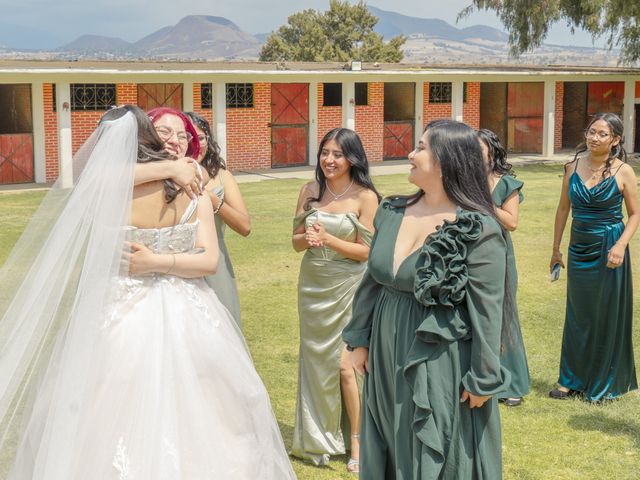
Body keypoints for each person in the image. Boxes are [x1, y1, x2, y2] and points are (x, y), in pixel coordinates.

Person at [0, 106, 296, 479]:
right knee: (207, 410)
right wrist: (173, 173)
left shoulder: (109, 191)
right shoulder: (192, 188)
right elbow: (208, 262)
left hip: (119, 310)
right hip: (188, 307)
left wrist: (151, 262)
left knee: (100, 407)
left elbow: (90, 178)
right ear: (152, 140)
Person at [343, 119, 511, 479]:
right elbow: (374, 278)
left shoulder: (478, 229)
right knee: (389, 433)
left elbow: (487, 308)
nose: (410, 153)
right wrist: (358, 338)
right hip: (387, 347)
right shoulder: (392, 211)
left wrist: (483, 376)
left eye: (420, 147)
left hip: (438, 354)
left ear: (446, 160)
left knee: (432, 443)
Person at [290, 128, 380, 473]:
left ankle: (358, 440)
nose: (329, 160)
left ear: (352, 159)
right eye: (325, 152)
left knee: (345, 367)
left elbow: (366, 252)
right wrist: (309, 240)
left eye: (337, 154)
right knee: (315, 363)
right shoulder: (309, 190)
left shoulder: (365, 197)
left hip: (348, 287)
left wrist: (328, 239)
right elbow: (295, 242)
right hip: (313, 286)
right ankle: (318, 438)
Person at [549, 112, 638, 402]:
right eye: (591, 131)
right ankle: (569, 380)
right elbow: (563, 209)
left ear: (616, 140)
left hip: (609, 247)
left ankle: (602, 384)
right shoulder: (572, 166)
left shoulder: (624, 171)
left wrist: (621, 246)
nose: (594, 137)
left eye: (602, 134)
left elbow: (635, 214)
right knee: (577, 315)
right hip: (579, 248)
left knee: (604, 315)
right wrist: (555, 249)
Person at [478, 128, 530, 407]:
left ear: (492, 151)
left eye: (479, 147)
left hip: (498, 254)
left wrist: (482, 200)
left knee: (503, 316)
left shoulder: (507, 183)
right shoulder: (463, 180)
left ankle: (512, 383)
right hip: (470, 254)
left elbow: (511, 223)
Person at [185, 112, 250, 328]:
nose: (196, 144)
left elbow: (244, 226)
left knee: (223, 328)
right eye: (188, 137)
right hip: (180, 264)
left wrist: (215, 202)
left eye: (201, 137)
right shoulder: (168, 179)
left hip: (216, 265)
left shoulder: (222, 176)